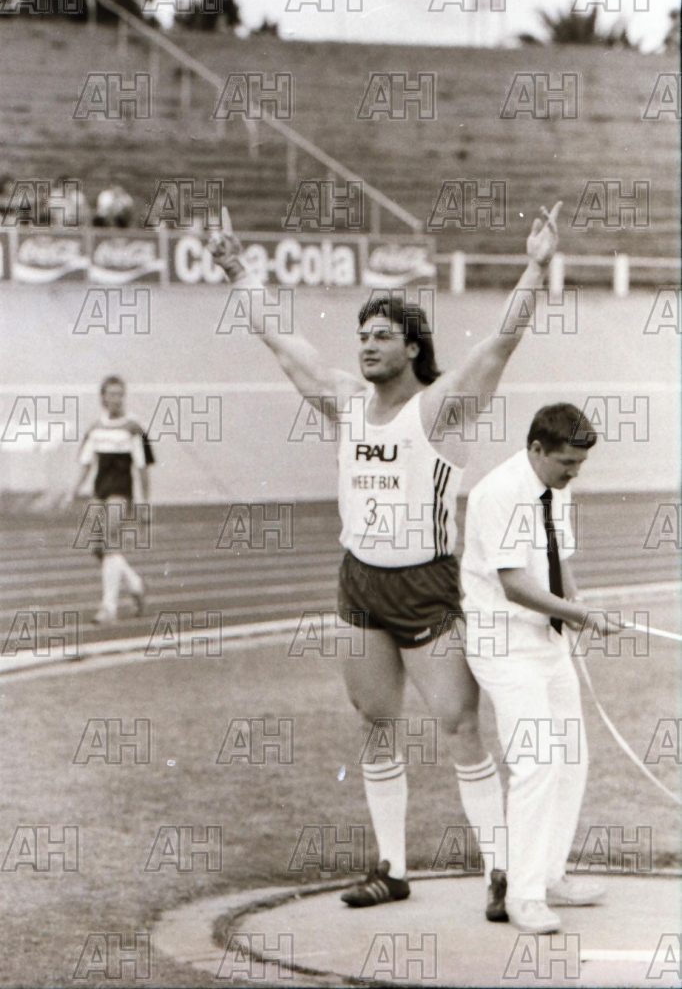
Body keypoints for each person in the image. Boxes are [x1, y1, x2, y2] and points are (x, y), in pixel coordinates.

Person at [207, 201, 562, 920]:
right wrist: (238, 269)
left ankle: (500, 870)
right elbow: (281, 342)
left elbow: (500, 344)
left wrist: (535, 266)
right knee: (375, 721)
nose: (367, 346)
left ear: (412, 347)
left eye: (382, 336)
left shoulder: (439, 409)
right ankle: (391, 868)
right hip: (360, 583)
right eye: (362, 335)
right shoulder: (345, 401)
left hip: (427, 586)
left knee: (460, 726)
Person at [461, 403, 623, 933]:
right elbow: (514, 584)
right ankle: (523, 895)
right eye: (566, 463)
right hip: (504, 643)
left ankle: (550, 875)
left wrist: (576, 603)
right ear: (536, 449)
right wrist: (580, 616)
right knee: (536, 762)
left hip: (545, 639)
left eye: (579, 464)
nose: (574, 473)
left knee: (572, 757)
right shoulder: (499, 492)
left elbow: (559, 558)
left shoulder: (555, 485)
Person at [68, 376, 153, 624]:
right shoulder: (95, 428)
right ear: (103, 397)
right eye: (111, 394)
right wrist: (73, 490)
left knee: (110, 541)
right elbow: (86, 463)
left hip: (121, 492)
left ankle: (109, 608)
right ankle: (135, 583)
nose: (116, 399)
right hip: (99, 492)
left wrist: (145, 504)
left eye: (119, 394)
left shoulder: (134, 428)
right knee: (97, 548)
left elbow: (143, 469)